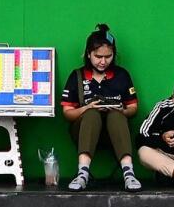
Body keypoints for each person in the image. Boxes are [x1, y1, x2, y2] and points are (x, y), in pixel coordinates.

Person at [60, 24, 141, 191]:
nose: (103, 62)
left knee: (116, 116)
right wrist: (87, 107)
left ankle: (129, 173)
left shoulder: (121, 75)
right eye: (98, 56)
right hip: (85, 131)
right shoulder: (77, 76)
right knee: (92, 114)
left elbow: (133, 108)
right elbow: (67, 113)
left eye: (108, 56)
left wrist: (122, 111)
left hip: (116, 132)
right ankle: (82, 174)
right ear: (88, 54)